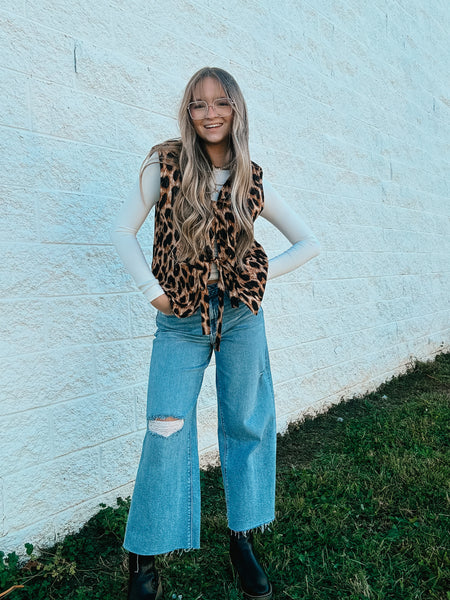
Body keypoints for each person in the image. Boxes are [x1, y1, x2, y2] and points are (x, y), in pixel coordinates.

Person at [110, 66, 321, 600]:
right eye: (199, 103)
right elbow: (121, 232)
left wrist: (256, 274)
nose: (210, 113)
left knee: (247, 423)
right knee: (166, 426)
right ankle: (145, 556)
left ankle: (242, 537)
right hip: (180, 318)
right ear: (188, 110)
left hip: (241, 317)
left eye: (221, 102)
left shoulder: (251, 178)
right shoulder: (166, 165)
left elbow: (308, 242)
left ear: (236, 109)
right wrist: (151, 291)